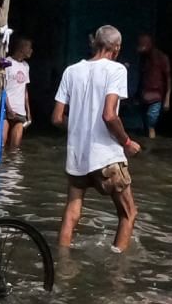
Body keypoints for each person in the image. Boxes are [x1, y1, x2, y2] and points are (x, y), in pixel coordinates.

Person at [54, 25, 142, 251]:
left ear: (95, 44)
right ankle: (117, 272)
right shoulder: (117, 70)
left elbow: (56, 118)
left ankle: (60, 265)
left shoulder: (71, 71)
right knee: (128, 213)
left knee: (71, 214)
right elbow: (109, 115)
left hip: (77, 157)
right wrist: (127, 142)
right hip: (107, 156)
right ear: (116, 47)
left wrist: (80, 129)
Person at [131, 34, 171, 139]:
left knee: (151, 119)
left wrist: (167, 98)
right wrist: (137, 94)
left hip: (156, 94)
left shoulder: (161, 58)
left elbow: (168, 78)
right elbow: (142, 77)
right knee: (145, 120)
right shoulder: (143, 59)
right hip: (144, 94)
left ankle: (151, 135)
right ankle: (148, 141)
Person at [2, 36, 34, 151]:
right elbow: (2, 88)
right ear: (22, 48)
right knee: (1, 146)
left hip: (20, 112)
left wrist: (28, 112)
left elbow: (25, 90)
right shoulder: (7, 62)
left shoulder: (26, 66)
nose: (31, 50)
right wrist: (9, 109)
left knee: (15, 148)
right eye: (29, 48)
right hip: (6, 111)